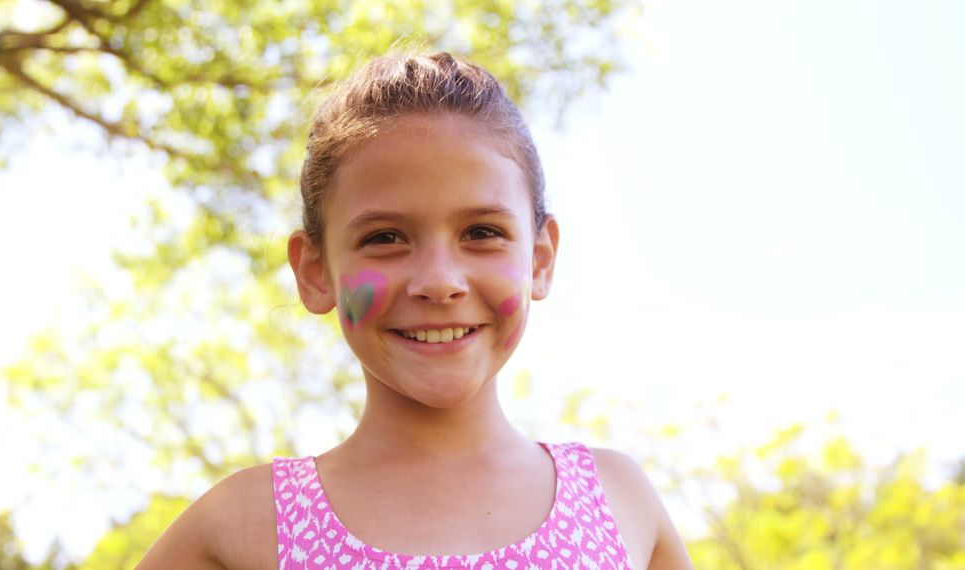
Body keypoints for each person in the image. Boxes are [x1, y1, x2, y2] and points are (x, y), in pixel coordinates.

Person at [138, 51, 692, 570]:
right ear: (314, 271)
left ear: (540, 258)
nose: (439, 282)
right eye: (385, 237)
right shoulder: (244, 525)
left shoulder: (622, 504)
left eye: (482, 232)